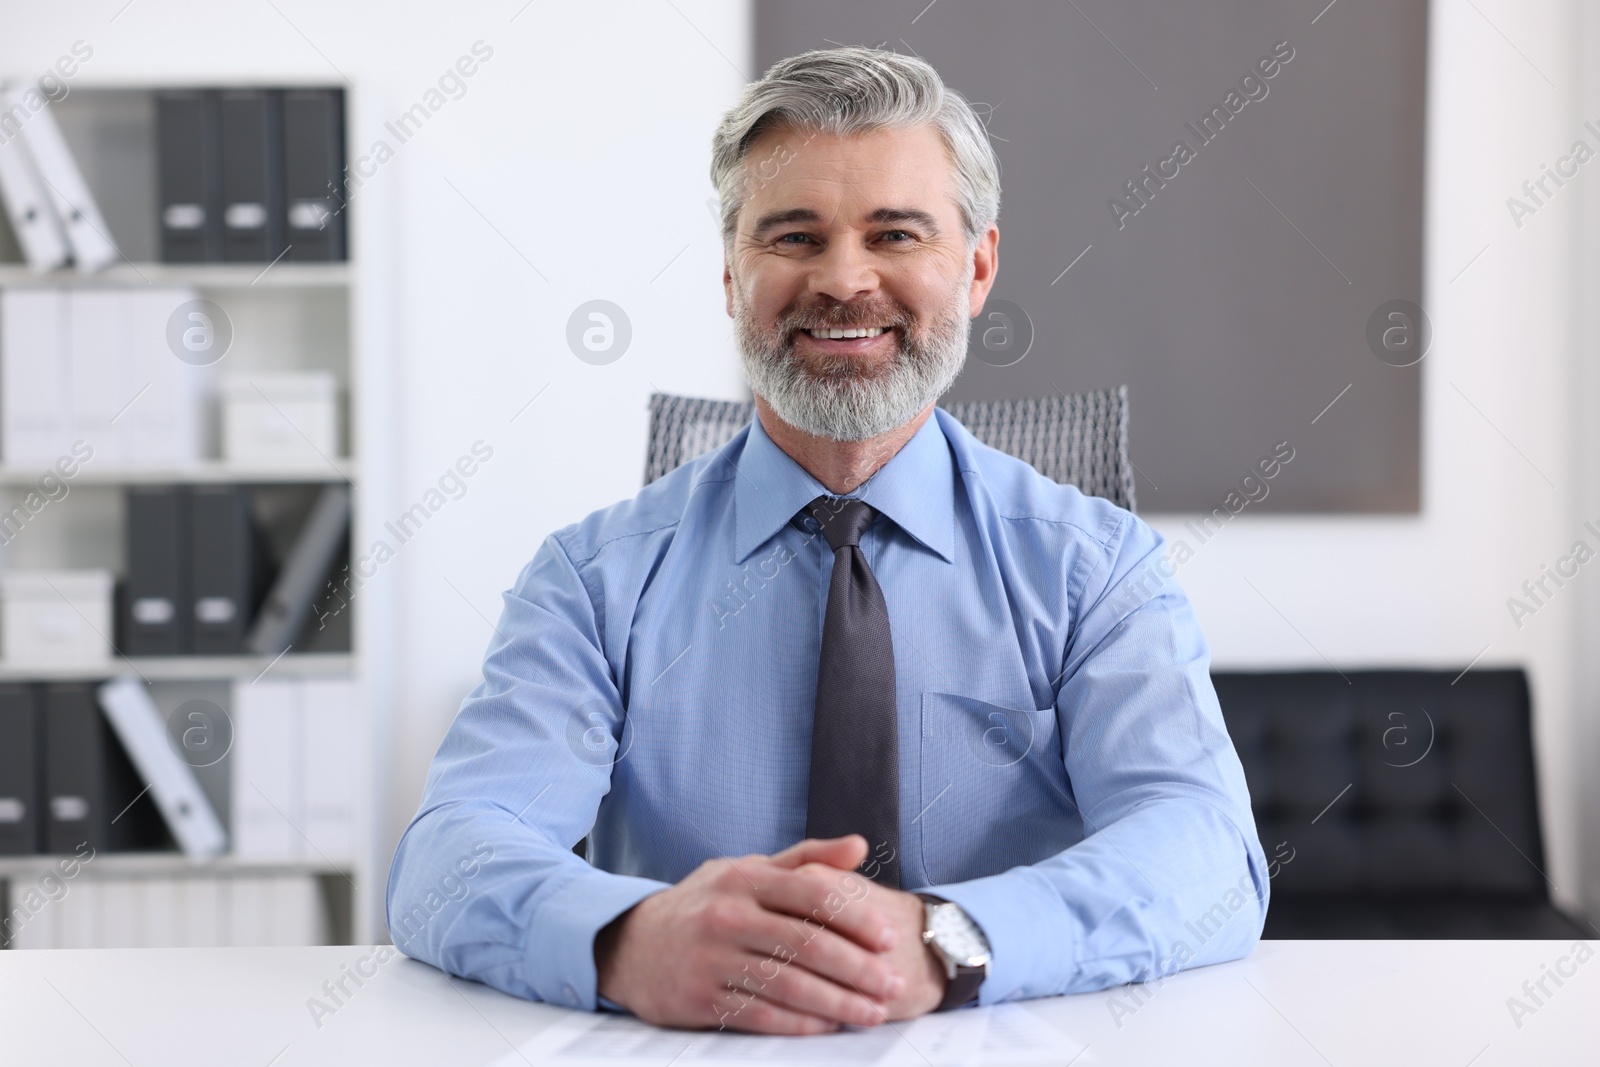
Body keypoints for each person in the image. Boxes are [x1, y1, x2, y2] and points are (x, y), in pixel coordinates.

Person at [387, 44, 1268, 1036]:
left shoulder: (1097, 571)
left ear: (975, 268)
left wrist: (950, 940)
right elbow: (448, 857)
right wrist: (628, 937)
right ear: (731, 275)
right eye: (794, 236)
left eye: (894, 234)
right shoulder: (592, 582)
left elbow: (1205, 854)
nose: (844, 280)